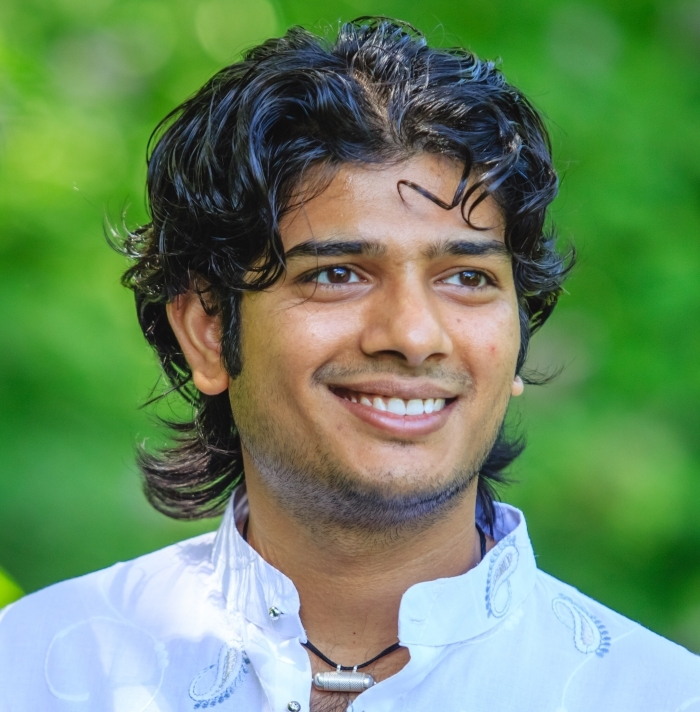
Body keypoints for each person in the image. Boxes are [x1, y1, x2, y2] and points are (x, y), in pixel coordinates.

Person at [0, 17, 697, 712]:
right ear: (209, 332)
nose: (414, 335)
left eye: (467, 277)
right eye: (337, 274)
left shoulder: (655, 695)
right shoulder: (34, 673)